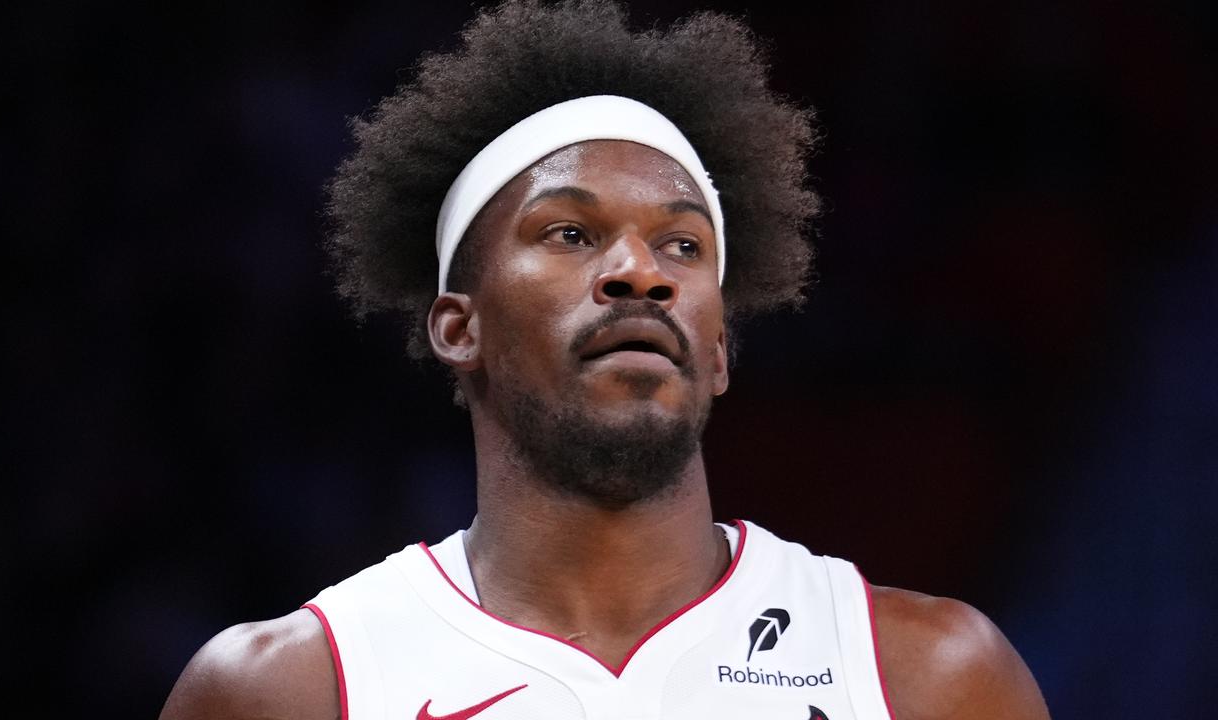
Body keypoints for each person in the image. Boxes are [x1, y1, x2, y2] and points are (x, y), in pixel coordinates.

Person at [160, 1, 1050, 718]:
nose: (640, 272)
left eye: (684, 247)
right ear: (457, 328)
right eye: (572, 232)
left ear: (719, 347)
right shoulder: (291, 689)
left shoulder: (930, 679)